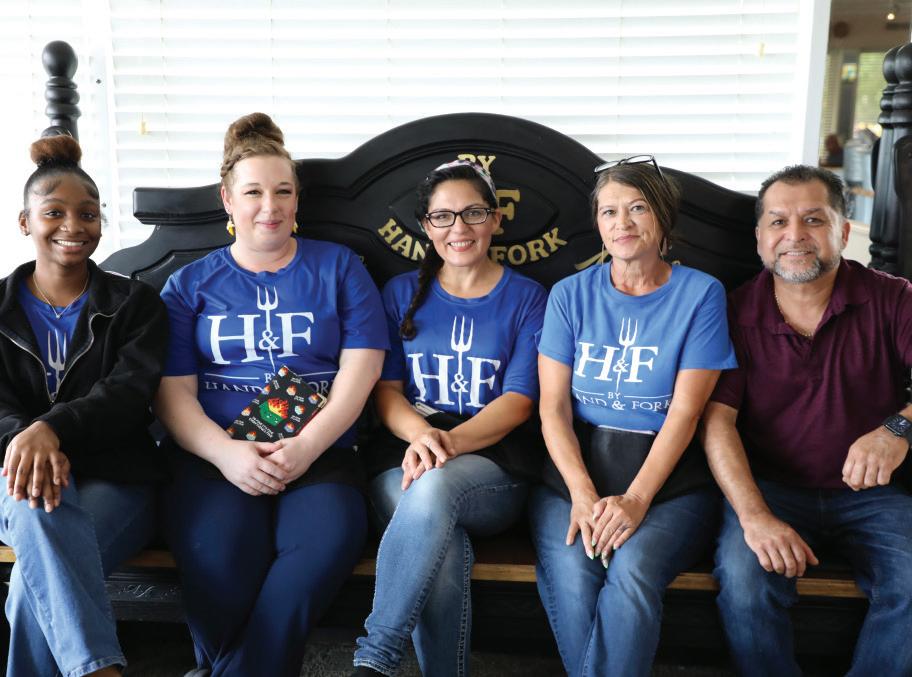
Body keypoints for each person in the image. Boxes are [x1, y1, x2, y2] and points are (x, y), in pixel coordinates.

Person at [155, 112, 388, 677]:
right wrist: (226, 454)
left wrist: (306, 447)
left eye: (283, 191)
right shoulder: (189, 285)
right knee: (218, 556)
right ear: (227, 199)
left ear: (297, 199)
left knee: (319, 550)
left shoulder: (339, 269)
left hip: (321, 453)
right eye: (254, 192)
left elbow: (360, 375)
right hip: (215, 455)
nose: (270, 206)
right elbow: (172, 395)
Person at [531, 155, 737, 676]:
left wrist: (637, 500)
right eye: (609, 211)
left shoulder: (701, 294)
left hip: (669, 478)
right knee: (572, 570)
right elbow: (553, 407)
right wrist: (582, 493)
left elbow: (686, 413)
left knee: (633, 568)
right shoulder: (569, 295)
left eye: (638, 208)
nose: (621, 222)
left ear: (663, 217)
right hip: (575, 469)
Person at [703, 165, 912, 676]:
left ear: (844, 231)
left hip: (873, 496)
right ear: (760, 238)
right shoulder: (732, 311)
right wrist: (754, 516)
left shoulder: (894, 298)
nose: (794, 235)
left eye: (814, 220)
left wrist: (898, 428)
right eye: (778, 222)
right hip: (771, 490)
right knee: (744, 584)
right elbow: (716, 423)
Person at [351, 160, 548, 677]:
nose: (458, 228)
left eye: (473, 213)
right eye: (443, 216)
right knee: (440, 538)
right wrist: (421, 435)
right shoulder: (399, 294)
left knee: (433, 488)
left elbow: (519, 400)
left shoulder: (528, 298)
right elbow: (386, 392)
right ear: (426, 225)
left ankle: (375, 657)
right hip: (404, 452)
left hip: (491, 461)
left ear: (495, 219)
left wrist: (447, 444)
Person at [0, 133, 168, 676]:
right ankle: (98, 669)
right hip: (12, 474)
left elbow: (128, 396)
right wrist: (26, 440)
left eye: (88, 213)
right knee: (34, 499)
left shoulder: (135, 304)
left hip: (117, 479)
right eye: (54, 212)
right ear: (25, 222)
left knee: (33, 583)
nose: (73, 225)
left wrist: (51, 429)